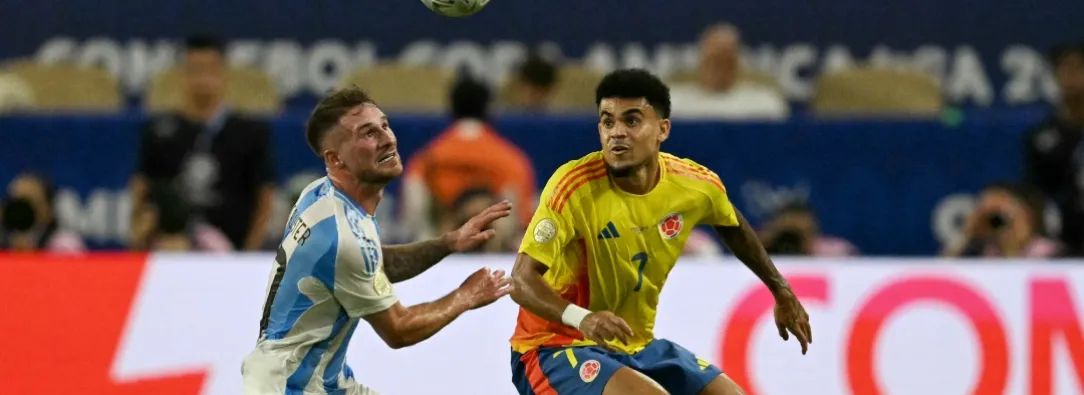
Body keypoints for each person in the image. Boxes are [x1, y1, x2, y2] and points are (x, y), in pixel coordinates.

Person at [508, 69, 811, 395]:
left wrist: (780, 290)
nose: (617, 133)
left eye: (632, 121)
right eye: (607, 122)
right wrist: (582, 318)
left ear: (662, 129)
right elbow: (521, 281)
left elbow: (732, 224)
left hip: (634, 346)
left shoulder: (694, 185)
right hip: (553, 346)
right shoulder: (573, 187)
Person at [241, 86, 515, 395]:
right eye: (368, 134)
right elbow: (399, 329)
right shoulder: (342, 236)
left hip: (316, 379)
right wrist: (466, 296)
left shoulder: (322, 195)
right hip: (293, 388)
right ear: (336, 159)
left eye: (384, 125)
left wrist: (447, 243)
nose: (388, 138)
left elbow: (375, 263)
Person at [131, 35, 277, 251]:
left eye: (210, 70)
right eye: (195, 70)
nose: (202, 78)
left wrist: (248, 255)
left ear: (224, 75)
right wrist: (137, 239)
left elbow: (265, 197)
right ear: (183, 74)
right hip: (172, 250)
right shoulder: (159, 131)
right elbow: (141, 190)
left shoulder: (249, 132)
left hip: (231, 249)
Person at [1022, 42, 1084, 255]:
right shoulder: (1043, 137)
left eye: (1078, 68)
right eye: (1064, 69)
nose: (1071, 77)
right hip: (1067, 240)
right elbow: (1036, 194)